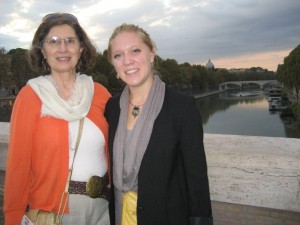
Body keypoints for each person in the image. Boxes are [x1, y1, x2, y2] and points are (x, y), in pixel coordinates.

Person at [4, 13, 111, 225]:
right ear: (43, 51)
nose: (63, 48)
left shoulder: (100, 93)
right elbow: (18, 166)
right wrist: (13, 219)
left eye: (70, 41)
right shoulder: (30, 97)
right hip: (55, 210)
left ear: (81, 49)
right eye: (53, 41)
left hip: (103, 208)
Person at [104, 23, 213, 225]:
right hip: (120, 215)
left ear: (152, 54)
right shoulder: (111, 108)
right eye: (118, 55)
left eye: (135, 51)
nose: (128, 61)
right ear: (113, 63)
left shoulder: (182, 107)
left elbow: (196, 176)